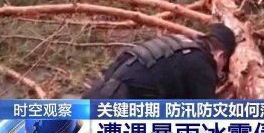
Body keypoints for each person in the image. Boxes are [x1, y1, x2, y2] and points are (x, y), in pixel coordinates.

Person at [83, 23, 236, 99]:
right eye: (223, 68)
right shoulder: (203, 66)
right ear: (221, 56)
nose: (220, 72)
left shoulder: (177, 46)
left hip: (98, 94)